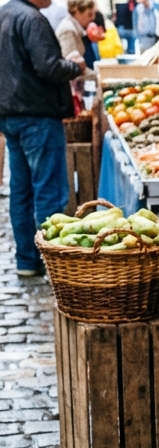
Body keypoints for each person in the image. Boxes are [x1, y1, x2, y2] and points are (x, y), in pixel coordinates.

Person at [0, 0, 85, 276]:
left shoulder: (6, 14)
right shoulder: (32, 19)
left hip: (12, 114)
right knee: (49, 190)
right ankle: (54, 262)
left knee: (22, 191)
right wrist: (74, 66)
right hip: (36, 115)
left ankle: (27, 260)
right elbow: (48, 66)